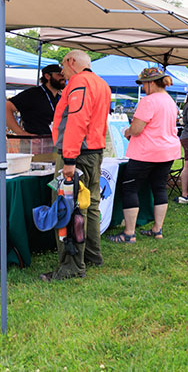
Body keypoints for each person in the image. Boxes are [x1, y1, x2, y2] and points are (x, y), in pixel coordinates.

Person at [42, 50, 111, 281]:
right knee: (90, 204)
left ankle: (71, 266)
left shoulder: (79, 82)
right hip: (93, 151)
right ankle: (92, 255)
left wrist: (69, 158)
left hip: (77, 154)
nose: (62, 70)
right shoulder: (101, 84)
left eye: (63, 64)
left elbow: (77, 120)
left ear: (72, 62)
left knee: (68, 208)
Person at [108, 68, 180, 243]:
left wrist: (127, 131)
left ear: (152, 82)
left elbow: (137, 129)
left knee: (130, 188)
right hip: (167, 151)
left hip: (146, 152)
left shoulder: (148, 101)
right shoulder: (170, 101)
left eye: (143, 84)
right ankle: (157, 229)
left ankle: (129, 233)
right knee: (160, 188)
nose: (143, 87)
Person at [6, 64, 65, 136]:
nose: (63, 77)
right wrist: (21, 133)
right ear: (47, 76)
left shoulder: (61, 97)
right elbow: (6, 107)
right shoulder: (32, 94)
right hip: (34, 143)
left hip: (55, 142)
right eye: (60, 74)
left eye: (64, 74)